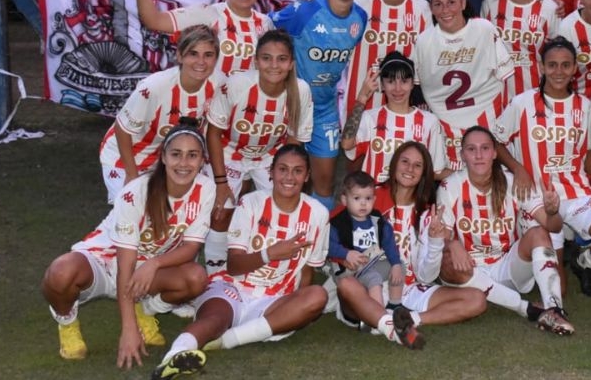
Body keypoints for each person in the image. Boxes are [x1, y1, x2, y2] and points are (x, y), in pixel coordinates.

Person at [42, 119, 213, 366]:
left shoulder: (205, 189)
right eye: (176, 154)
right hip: (105, 261)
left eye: (192, 155)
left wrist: (154, 263)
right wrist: (128, 329)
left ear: (202, 160)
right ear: (163, 157)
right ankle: (67, 323)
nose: (184, 163)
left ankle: (146, 310)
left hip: (145, 268)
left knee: (196, 277)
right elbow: (125, 264)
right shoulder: (136, 192)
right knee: (60, 272)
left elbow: (191, 247)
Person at [150, 145, 329, 379]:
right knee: (214, 320)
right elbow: (234, 266)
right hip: (233, 288)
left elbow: (307, 269)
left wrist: (298, 308)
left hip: (275, 299)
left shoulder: (318, 214)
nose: (289, 177)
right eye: (283, 169)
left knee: (317, 296)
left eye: (297, 171)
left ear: (306, 176)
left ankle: (227, 340)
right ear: (271, 172)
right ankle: (173, 358)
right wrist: (270, 253)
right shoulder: (250, 203)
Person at [494, 37, 591, 300]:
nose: (558, 71)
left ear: (575, 68)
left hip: (577, 193)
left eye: (565, 65)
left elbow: (589, 151)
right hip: (538, 198)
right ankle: (558, 255)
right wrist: (517, 168)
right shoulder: (522, 103)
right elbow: (496, 140)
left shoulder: (584, 105)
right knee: (558, 290)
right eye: (552, 65)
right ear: (541, 67)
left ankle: (584, 260)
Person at [335, 141, 487, 348]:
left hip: (408, 289)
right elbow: (331, 228)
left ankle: (408, 319)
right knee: (346, 285)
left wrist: (435, 241)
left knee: (476, 299)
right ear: (394, 164)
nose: (410, 169)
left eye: (417, 165)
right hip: (369, 286)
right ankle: (386, 321)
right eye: (405, 162)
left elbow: (426, 276)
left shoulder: (426, 213)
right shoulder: (370, 197)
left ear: (424, 173)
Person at [438, 126, 575, 336]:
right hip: (469, 271)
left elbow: (553, 227)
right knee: (445, 259)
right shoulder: (450, 186)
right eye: (471, 149)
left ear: (495, 153)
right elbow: (440, 236)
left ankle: (554, 309)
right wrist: (452, 243)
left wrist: (552, 212)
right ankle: (525, 308)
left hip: (506, 267)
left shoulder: (512, 181)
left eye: (485, 148)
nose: (478, 155)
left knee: (538, 233)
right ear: (462, 154)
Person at [204, 30, 314, 273]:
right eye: (266, 58)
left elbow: (294, 141)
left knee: (283, 205)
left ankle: (273, 266)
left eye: (281, 59)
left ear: (291, 63)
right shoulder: (236, 85)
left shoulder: (301, 90)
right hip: (229, 153)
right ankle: (215, 274)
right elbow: (213, 133)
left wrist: (285, 175)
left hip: (269, 156)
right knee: (221, 211)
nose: (274, 65)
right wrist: (221, 182)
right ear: (256, 61)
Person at [269, 0, 368, 210]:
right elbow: (266, 25)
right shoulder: (306, 10)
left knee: (324, 184)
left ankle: (315, 232)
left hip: (324, 109)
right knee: (284, 177)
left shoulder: (360, 18)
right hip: (291, 105)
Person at [100, 24, 220, 203]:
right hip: (126, 157)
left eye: (208, 55)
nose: (201, 62)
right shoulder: (154, 88)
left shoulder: (219, 84)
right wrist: (131, 175)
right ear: (180, 56)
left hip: (170, 158)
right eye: (193, 54)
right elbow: (122, 129)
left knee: (177, 210)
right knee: (134, 211)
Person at [411, 0, 513, 173]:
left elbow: (506, 77)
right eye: (438, 4)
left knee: (494, 179)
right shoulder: (424, 41)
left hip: (488, 121)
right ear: (431, 9)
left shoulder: (483, 29)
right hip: (446, 129)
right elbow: (416, 87)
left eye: (451, 2)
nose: (445, 10)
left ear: (463, 3)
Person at [129, 0, 273, 78]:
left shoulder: (266, 24)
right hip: (211, 99)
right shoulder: (208, 14)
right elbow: (154, 21)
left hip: (249, 99)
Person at [340, 0, 430, 117]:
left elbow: (426, 56)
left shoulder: (422, 8)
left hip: (404, 99)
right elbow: (331, 13)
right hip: (361, 97)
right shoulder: (360, 4)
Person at [341, 51, 448, 182]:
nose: (398, 89)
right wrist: (362, 99)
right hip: (375, 193)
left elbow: (435, 171)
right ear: (382, 84)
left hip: (413, 194)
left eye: (404, 81)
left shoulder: (429, 121)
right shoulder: (370, 117)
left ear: (412, 83)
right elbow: (346, 144)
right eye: (390, 81)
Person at [481, 0, 561, 100]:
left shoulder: (549, 8)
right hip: (496, 94)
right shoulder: (491, 2)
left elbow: (557, 52)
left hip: (534, 93)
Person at [328, 171, 404, 313]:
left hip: (371, 263)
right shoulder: (338, 223)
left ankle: (395, 305)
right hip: (349, 270)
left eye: (368, 198)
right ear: (344, 200)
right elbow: (328, 246)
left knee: (399, 266)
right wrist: (346, 253)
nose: (363, 203)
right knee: (374, 278)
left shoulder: (377, 220)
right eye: (357, 198)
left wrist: (395, 263)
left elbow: (389, 243)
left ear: (374, 199)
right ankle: (379, 316)